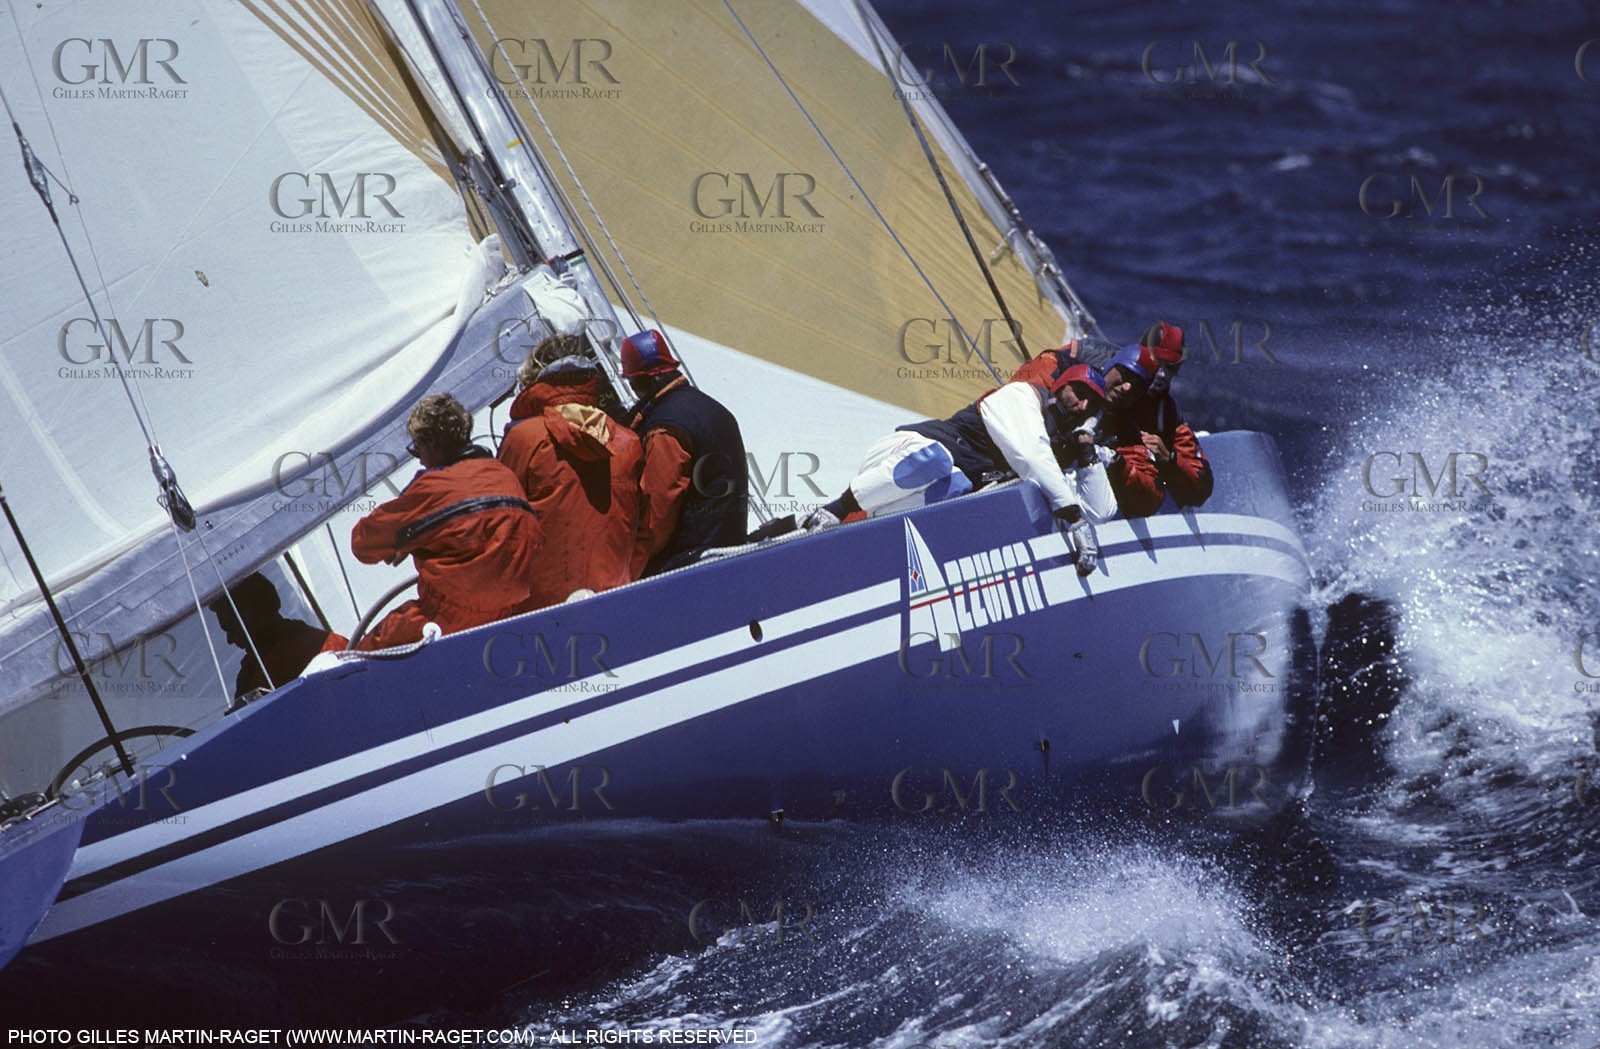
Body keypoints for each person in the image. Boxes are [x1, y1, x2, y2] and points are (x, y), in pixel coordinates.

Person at [795, 362, 1115, 575]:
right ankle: (836, 509)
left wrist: (1087, 452)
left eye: (1092, 405)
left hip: (938, 483)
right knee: (938, 461)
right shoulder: (1022, 397)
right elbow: (1030, 454)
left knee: (960, 489)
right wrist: (1073, 518)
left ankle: (845, 537)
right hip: (907, 454)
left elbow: (1102, 511)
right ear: (1061, 386)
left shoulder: (1058, 445)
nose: (1082, 405)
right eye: (1079, 393)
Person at [352, 393, 541, 649]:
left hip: (445, 621)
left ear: (431, 442)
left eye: (416, 448)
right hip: (508, 618)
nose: (418, 458)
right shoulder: (505, 476)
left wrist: (409, 539)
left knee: (359, 658)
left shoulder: (433, 488)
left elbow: (363, 544)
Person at [500, 346, 643, 610]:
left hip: (541, 604)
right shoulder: (628, 440)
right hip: (614, 593)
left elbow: (503, 522)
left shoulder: (523, 438)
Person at [622, 329, 749, 576]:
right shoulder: (712, 408)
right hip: (727, 551)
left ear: (637, 381)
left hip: (690, 563)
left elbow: (658, 515)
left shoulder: (664, 427)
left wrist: (630, 570)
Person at [1099, 322, 1213, 517]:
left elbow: (1201, 484)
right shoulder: (1094, 359)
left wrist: (1170, 460)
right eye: (1157, 362)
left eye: (1170, 368)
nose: (1161, 374)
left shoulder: (1165, 412)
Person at [209, 572, 342, 698]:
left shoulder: (257, 676)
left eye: (231, 628)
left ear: (253, 614)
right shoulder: (330, 643)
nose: (230, 640)